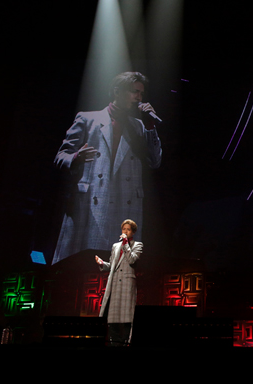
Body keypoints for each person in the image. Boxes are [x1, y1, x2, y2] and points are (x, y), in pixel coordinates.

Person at [52, 72, 162, 264]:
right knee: (82, 264)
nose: (139, 98)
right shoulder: (88, 119)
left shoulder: (139, 126)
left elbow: (155, 161)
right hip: (91, 202)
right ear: (117, 91)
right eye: (134, 92)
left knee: (117, 267)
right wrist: (76, 158)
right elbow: (61, 156)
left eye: (141, 94)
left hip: (125, 205)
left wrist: (151, 127)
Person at [95, 219, 143, 346]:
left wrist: (126, 244)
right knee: (112, 319)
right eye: (124, 229)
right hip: (115, 284)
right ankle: (115, 344)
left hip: (127, 285)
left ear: (133, 232)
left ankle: (125, 343)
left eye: (128, 229)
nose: (125, 231)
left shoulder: (137, 245)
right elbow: (112, 265)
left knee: (126, 319)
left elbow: (132, 260)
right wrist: (102, 263)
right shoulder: (115, 246)